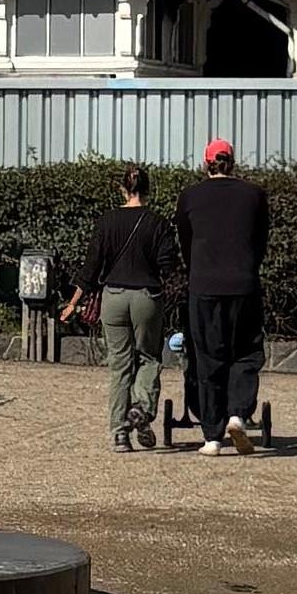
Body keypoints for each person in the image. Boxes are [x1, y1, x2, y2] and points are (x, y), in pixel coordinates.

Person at [174, 138, 273, 453]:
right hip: (243, 283)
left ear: (206, 165)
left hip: (204, 285)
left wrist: (198, 270)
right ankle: (238, 414)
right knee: (246, 352)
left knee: (208, 357)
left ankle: (212, 435)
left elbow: (185, 242)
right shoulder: (254, 195)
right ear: (233, 162)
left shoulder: (190, 197)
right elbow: (260, 241)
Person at [75, 166, 179, 452]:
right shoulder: (158, 223)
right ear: (148, 189)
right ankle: (142, 409)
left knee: (119, 366)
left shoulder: (107, 221)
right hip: (146, 296)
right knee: (148, 357)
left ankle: (119, 433)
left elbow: (91, 264)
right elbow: (168, 264)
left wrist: (74, 300)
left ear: (122, 188)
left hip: (113, 296)